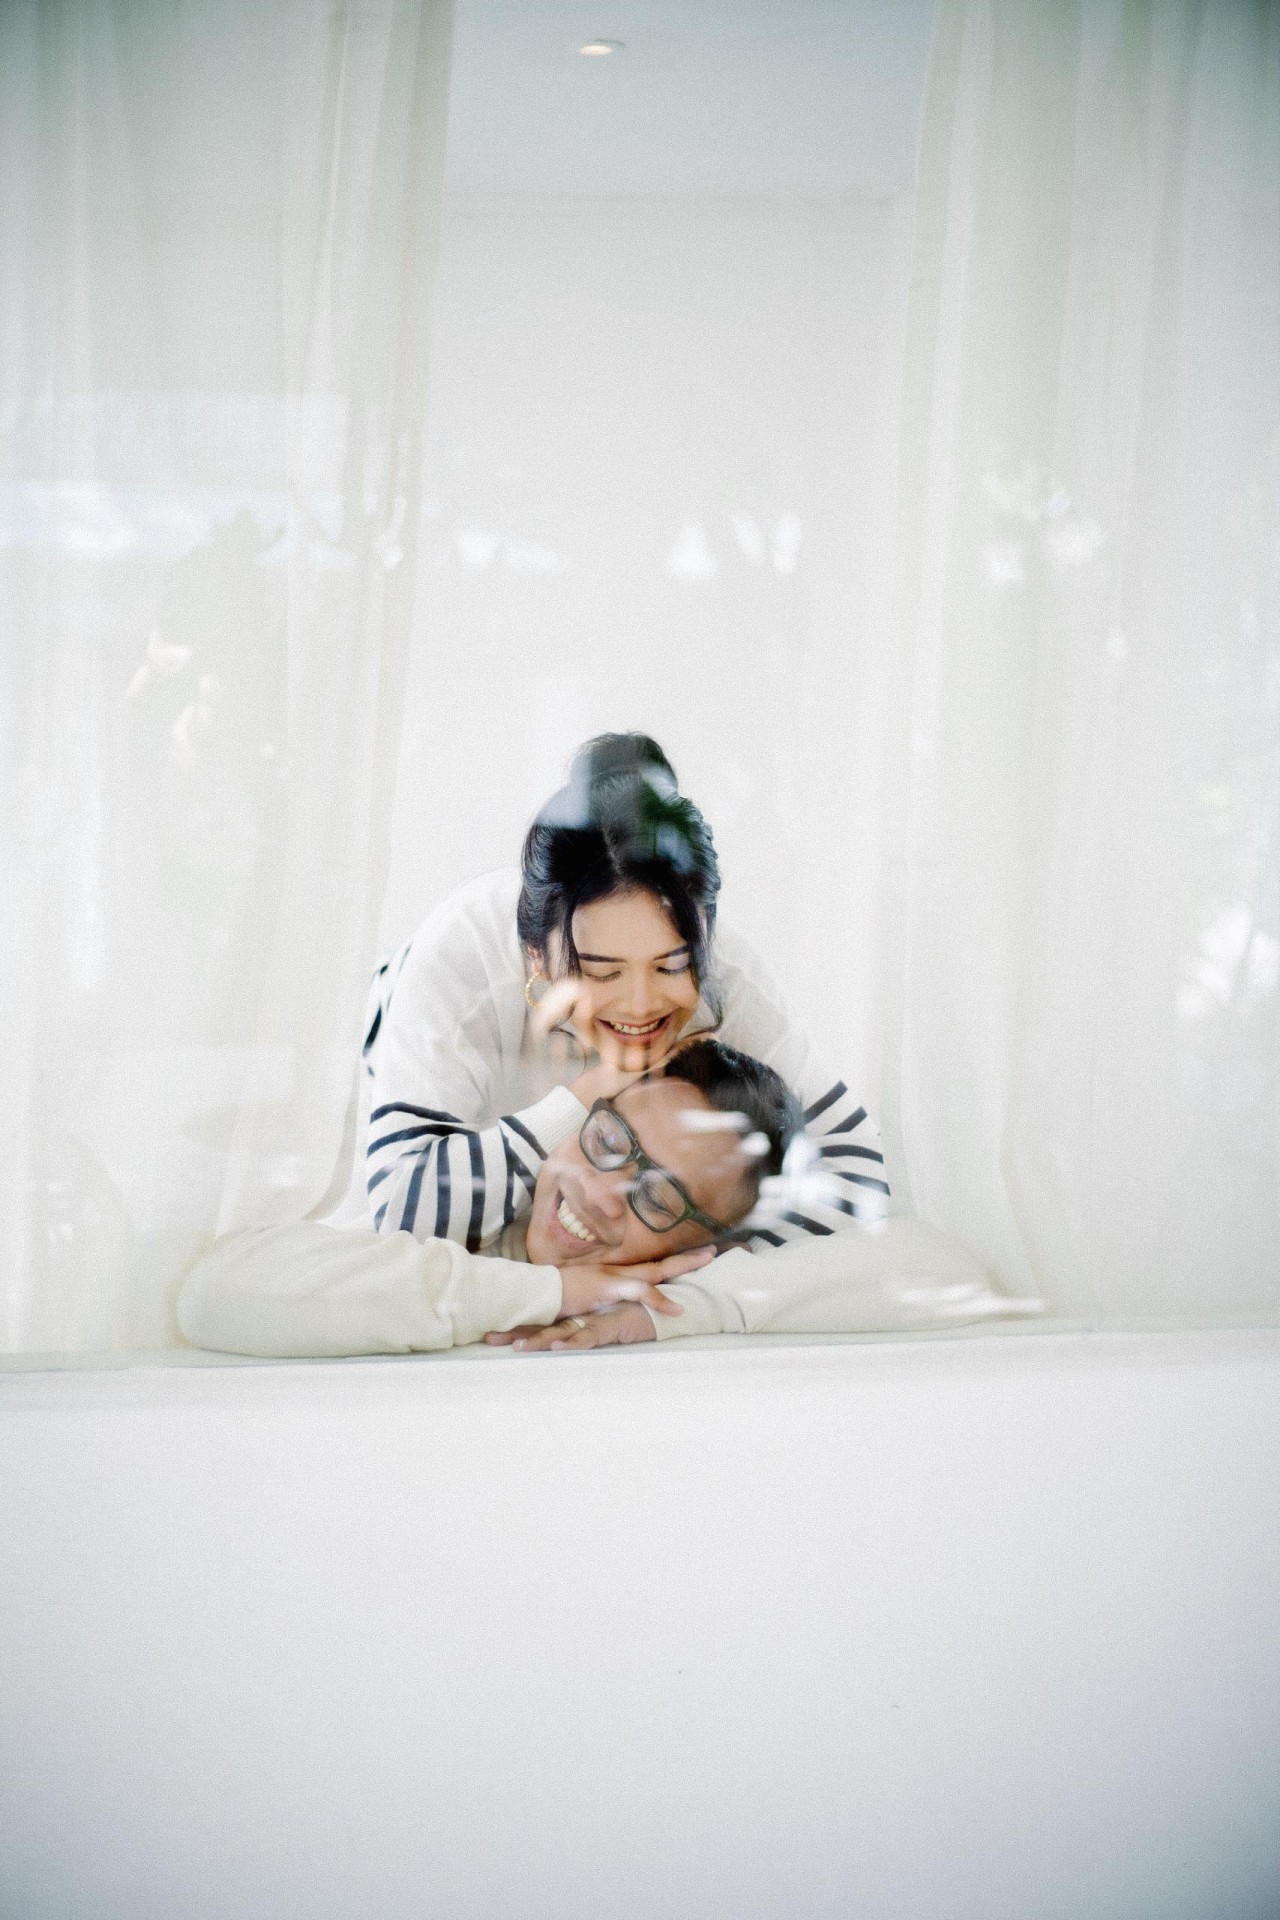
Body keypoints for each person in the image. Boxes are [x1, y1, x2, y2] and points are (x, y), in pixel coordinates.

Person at [329, 733, 889, 1259]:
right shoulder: (464, 958)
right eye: (601, 972)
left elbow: (858, 1175)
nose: (641, 1005)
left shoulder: (722, 976)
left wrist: (678, 1288)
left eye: (671, 965)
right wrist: (596, 1087)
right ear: (537, 956)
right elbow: (404, 1215)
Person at [178, 1041, 802, 1357]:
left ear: (705, 1252)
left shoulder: (677, 1309)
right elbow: (210, 1295)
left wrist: (700, 1308)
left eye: (659, 1199)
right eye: (610, 1139)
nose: (602, 1192)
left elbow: (867, 1267)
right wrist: (555, 1292)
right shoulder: (449, 1208)